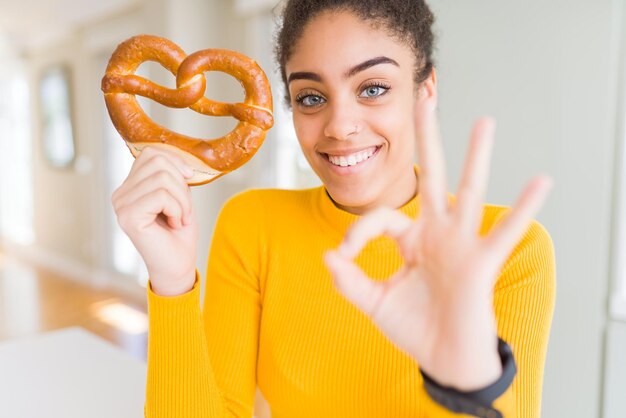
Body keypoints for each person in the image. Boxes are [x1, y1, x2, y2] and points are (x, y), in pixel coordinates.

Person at [111, 0, 556, 417]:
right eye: (311, 97)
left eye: (374, 88)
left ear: (425, 91)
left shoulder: (508, 249)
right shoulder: (252, 224)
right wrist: (171, 281)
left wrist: (468, 381)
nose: (340, 126)